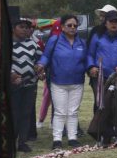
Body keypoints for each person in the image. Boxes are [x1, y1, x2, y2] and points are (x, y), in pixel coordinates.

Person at [37, 14, 88, 149]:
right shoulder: (54, 40)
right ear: (63, 27)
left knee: (73, 112)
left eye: (75, 26)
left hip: (77, 82)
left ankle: (72, 138)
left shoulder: (82, 42)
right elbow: (46, 56)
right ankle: (57, 139)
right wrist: (41, 65)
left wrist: (92, 67)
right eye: (69, 25)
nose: (72, 28)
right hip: (58, 82)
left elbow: (87, 60)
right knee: (59, 112)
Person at [87, 9, 117, 112]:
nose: (114, 24)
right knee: (100, 102)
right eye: (111, 21)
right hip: (100, 76)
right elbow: (90, 54)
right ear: (106, 23)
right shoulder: (97, 37)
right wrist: (91, 66)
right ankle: (99, 127)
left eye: (116, 21)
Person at [10, 18, 40, 153]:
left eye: (27, 27)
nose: (24, 29)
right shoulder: (5, 43)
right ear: (13, 28)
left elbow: (39, 59)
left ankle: (22, 142)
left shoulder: (33, 44)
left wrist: (40, 68)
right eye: (21, 27)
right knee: (13, 113)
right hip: (12, 85)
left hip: (30, 83)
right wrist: (11, 74)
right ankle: (10, 141)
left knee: (26, 113)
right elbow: (0, 61)